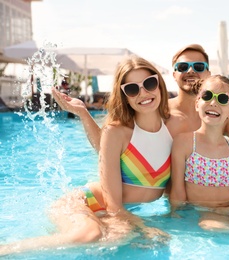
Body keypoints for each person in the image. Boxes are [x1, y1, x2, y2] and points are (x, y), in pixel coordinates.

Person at [51, 43, 229, 198]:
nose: (190, 71)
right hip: (159, 195)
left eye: (198, 67)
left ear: (208, 73)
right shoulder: (155, 110)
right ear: (172, 75)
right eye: (182, 67)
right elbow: (109, 149)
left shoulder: (218, 115)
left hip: (200, 191)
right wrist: (85, 115)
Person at [0, 55, 171, 256]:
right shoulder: (117, 132)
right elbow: (113, 200)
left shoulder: (173, 128)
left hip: (115, 210)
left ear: (159, 84)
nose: (143, 93)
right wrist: (144, 227)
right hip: (87, 202)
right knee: (89, 236)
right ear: (124, 96)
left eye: (150, 83)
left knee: (118, 238)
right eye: (132, 89)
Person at [170, 75, 229, 232]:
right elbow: (178, 192)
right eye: (207, 96)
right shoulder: (184, 143)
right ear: (197, 103)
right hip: (203, 214)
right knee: (215, 227)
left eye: (223, 99)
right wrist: (177, 219)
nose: (213, 103)